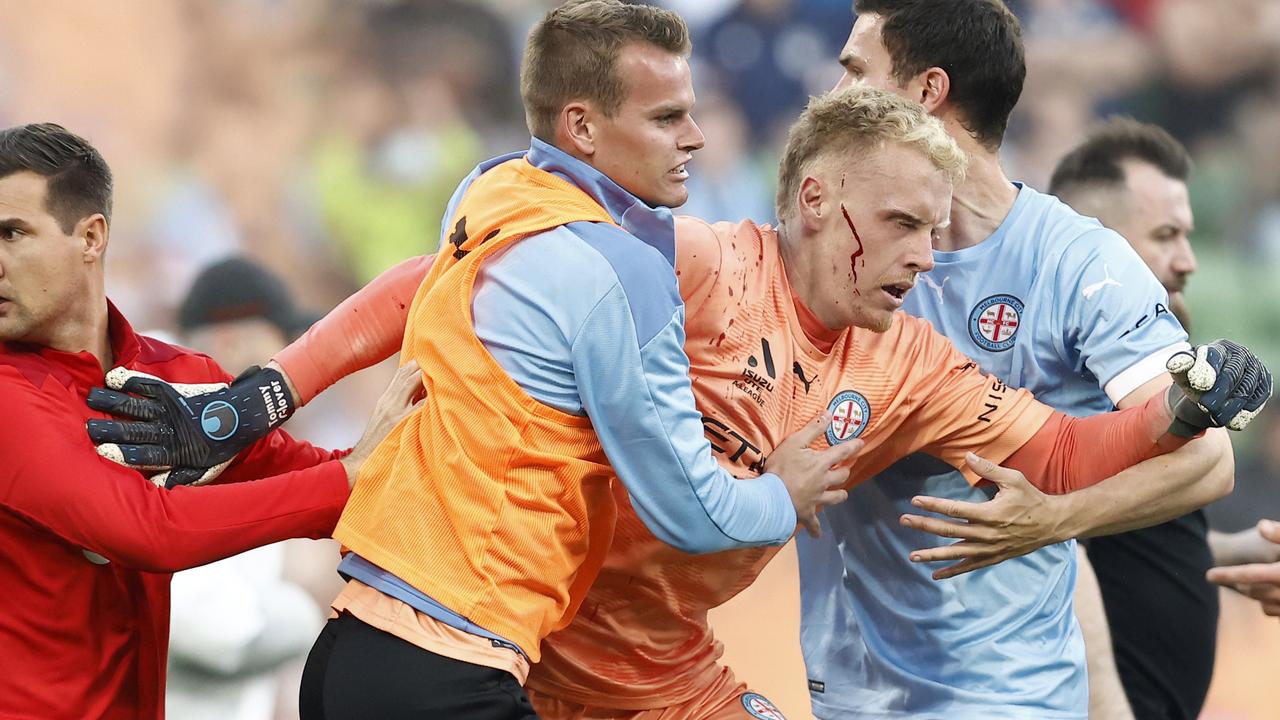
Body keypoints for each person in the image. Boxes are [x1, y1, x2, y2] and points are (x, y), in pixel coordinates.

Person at [94, 84, 1271, 719]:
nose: (927, 257)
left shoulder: (910, 365)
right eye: (904, 222)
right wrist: (258, 395)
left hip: (661, 679)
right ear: (816, 201)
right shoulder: (693, 267)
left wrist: (1184, 404)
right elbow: (443, 275)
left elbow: (1066, 455)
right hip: (510, 651)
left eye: (937, 227)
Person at [102, 3, 865, 718]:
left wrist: (260, 397)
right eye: (667, 117)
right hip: (449, 670)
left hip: (349, 655)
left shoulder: (495, 188)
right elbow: (689, 510)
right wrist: (779, 495)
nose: (695, 136)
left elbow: (412, 285)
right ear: (584, 128)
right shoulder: (621, 273)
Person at [795, 2, 1248, 718]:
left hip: (1009, 694)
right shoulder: (830, 244)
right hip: (851, 690)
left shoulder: (1077, 260)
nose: (835, 93)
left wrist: (1055, 518)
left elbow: (1208, 459)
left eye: (856, 71)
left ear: (925, 92)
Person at [0, 122, 424, 720]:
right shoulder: (9, 398)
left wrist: (404, 445)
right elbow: (150, 532)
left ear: (91, 236)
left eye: (12, 233)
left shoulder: (178, 377)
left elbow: (334, 481)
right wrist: (347, 485)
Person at [1049, 116, 1215, 720]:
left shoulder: (1140, 383)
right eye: (1166, 235)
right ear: (1097, 247)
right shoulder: (1053, 384)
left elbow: (1112, 539)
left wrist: (1218, 555)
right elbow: (1048, 543)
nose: (1188, 259)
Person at [164, 258, 330, 720]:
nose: (296, 373)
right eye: (285, 348)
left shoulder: (228, 441)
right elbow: (217, 636)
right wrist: (312, 603)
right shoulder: (175, 434)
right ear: (231, 342)